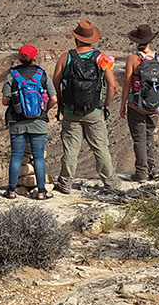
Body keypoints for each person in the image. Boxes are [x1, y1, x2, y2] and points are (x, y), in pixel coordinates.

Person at [52, 20, 122, 193]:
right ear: (92, 39)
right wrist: (105, 105)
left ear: (76, 38)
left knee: (71, 149)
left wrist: (61, 103)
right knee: (100, 147)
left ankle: (65, 183)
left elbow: (55, 81)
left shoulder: (66, 57)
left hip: (71, 110)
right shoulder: (101, 58)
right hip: (94, 110)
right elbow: (112, 86)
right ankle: (110, 182)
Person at [2, 44, 58, 199]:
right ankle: (41, 191)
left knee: (16, 156)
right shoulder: (42, 74)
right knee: (39, 156)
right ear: (34, 57)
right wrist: (43, 110)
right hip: (39, 121)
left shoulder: (12, 75)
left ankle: (11, 191)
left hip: (17, 121)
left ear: (19, 58)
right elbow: (54, 99)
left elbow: (5, 101)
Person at [119, 24, 159, 181]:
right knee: (149, 136)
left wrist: (122, 105)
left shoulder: (134, 58)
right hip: (154, 105)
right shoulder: (158, 58)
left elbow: (127, 83)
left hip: (136, 104)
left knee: (139, 138)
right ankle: (155, 169)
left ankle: (141, 172)